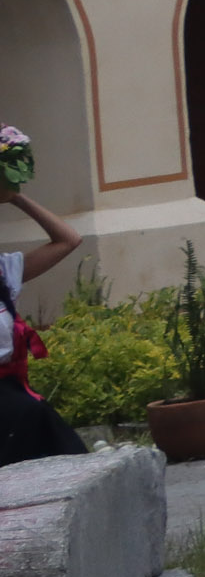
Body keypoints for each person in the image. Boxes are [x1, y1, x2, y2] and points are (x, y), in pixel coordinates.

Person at [1, 185, 86, 464]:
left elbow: (68, 239)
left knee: (65, 453)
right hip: (12, 406)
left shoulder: (3, 272)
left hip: (9, 395)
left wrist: (14, 196)